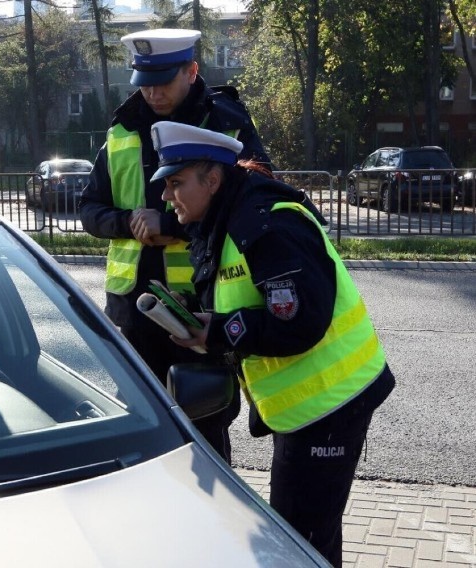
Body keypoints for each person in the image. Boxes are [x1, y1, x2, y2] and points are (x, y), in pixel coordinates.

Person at [149, 120, 396, 567]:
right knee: (309, 538)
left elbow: (300, 321)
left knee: (298, 545)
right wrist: (213, 324)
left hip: (331, 404)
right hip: (309, 407)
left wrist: (220, 331)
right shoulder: (231, 217)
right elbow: (250, 301)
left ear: (213, 179)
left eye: (175, 183)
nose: (166, 196)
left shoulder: (266, 224)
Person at [78, 28, 270, 462]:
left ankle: (215, 510)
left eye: (163, 80)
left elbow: (256, 201)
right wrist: (129, 222)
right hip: (136, 307)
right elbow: (90, 209)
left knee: (206, 423)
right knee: (146, 423)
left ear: (192, 71)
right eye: (143, 81)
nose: (152, 92)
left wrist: (170, 224)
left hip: (202, 303)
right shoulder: (123, 127)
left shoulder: (226, 121)